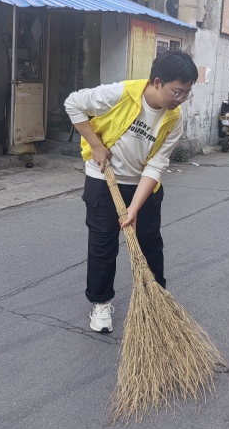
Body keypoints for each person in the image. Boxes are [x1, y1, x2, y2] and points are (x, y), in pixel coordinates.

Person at [64, 50, 197, 332]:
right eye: (177, 91)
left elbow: (156, 164)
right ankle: (101, 303)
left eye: (187, 93)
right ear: (157, 82)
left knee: (150, 242)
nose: (181, 99)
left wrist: (134, 208)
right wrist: (96, 145)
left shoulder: (174, 118)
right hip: (104, 179)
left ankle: (155, 299)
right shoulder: (120, 94)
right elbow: (73, 103)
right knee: (103, 243)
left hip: (143, 185)